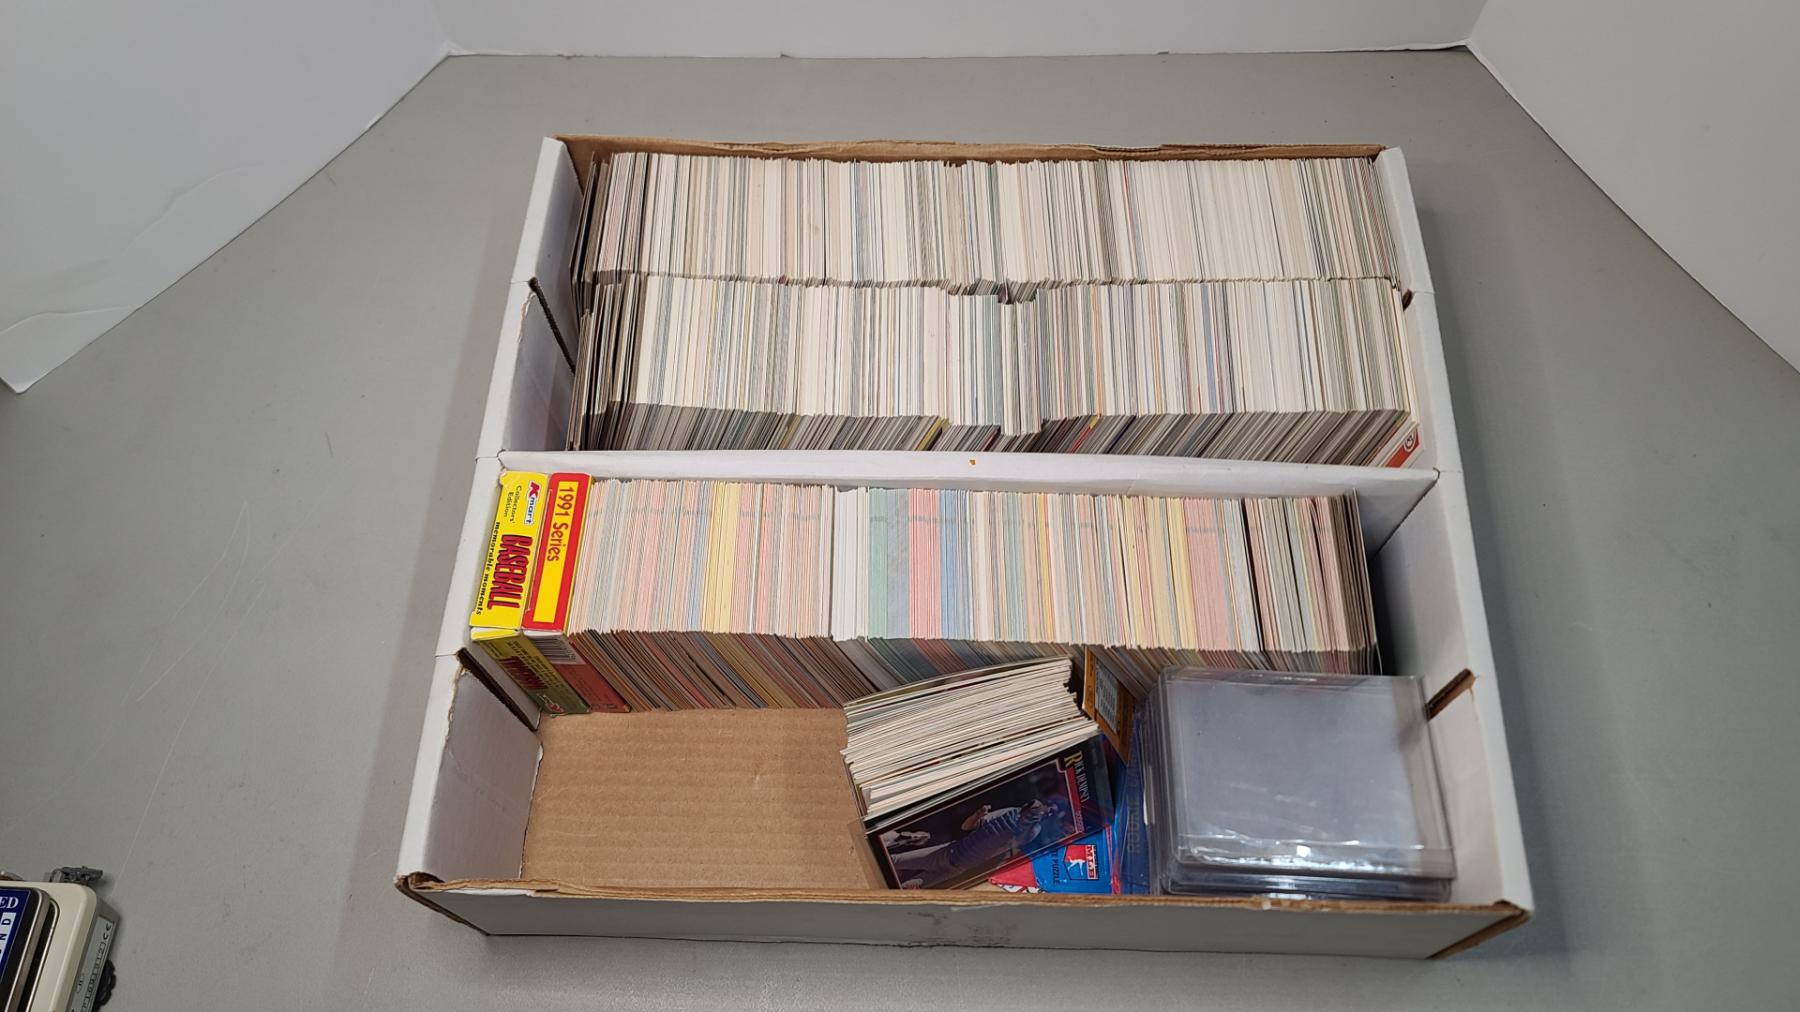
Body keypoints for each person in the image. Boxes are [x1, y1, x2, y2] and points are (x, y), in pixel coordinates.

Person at [887, 797, 1071, 888]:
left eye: (1052, 812)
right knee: (894, 861)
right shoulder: (1012, 812)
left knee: (907, 887)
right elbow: (966, 826)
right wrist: (978, 815)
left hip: (959, 866)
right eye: (1049, 807)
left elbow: (1008, 847)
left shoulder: (1032, 831)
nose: (1047, 811)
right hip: (949, 851)